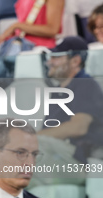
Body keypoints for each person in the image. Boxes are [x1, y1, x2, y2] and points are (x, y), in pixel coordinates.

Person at [39, 36, 103, 165]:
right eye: (50, 57)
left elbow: (78, 127)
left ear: (75, 61)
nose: (49, 62)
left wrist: (30, 138)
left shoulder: (86, 85)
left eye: (56, 57)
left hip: (77, 159)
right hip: (56, 154)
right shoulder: (57, 92)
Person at [0, 0, 64, 48]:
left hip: (40, 50)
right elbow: (24, 23)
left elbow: (52, 30)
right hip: (22, 47)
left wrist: (16, 26)